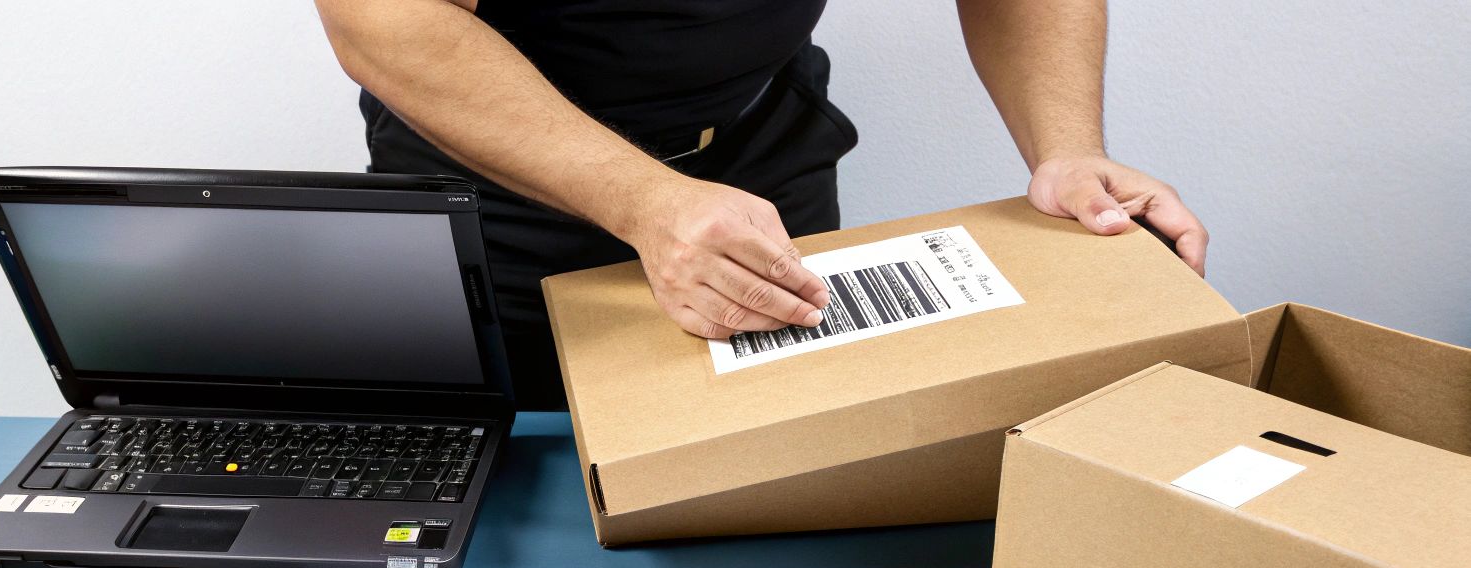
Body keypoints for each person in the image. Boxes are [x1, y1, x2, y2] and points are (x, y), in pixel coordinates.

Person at [316, 0, 1208, 410]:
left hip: (759, 167)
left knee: (765, 487)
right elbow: (385, 18)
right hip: (495, 197)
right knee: (501, 515)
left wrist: (1066, 150)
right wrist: (645, 201)